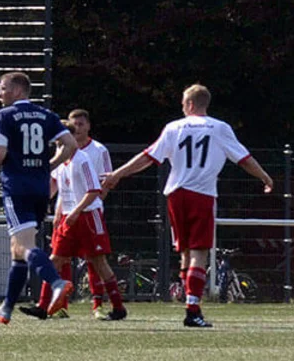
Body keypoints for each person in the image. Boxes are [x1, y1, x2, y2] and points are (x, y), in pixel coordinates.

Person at [103, 84, 275, 328]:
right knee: (199, 253)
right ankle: (193, 310)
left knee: (185, 252)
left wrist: (117, 174)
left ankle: (189, 302)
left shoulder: (173, 127)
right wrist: (265, 177)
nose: (182, 107)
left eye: (184, 103)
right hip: (202, 194)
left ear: (191, 104)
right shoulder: (219, 128)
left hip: (175, 194)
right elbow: (244, 159)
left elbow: (148, 157)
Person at [0, 70, 79, 324]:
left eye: (3, 88)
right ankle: (6, 308)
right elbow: (70, 144)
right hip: (40, 189)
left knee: (25, 246)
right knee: (17, 249)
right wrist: (49, 165)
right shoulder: (46, 115)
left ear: (17, 90)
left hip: (17, 188)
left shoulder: (4, 115)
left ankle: (57, 283)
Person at [40, 118, 126, 321]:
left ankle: (115, 306)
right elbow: (58, 188)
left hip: (88, 215)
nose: (58, 146)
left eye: (60, 141)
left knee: (97, 261)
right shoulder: (61, 162)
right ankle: (42, 306)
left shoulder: (84, 158)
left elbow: (95, 190)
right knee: (55, 259)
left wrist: (77, 211)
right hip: (69, 216)